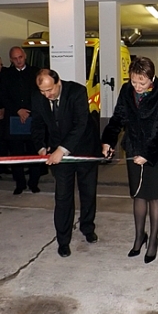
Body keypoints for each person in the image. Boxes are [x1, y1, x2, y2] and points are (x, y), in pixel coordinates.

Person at [101, 56, 158, 264]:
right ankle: (139, 236)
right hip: (133, 148)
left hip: (155, 154)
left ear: (152, 78)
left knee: (154, 197)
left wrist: (148, 154)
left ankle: (153, 240)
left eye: (142, 82)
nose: (138, 87)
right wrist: (108, 141)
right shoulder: (126, 91)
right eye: (134, 82)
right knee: (138, 195)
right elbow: (118, 118)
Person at [31, 69, 101, 258]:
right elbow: (37, 124)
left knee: (88, 192)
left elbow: (81, 124)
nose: (47, 95)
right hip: (58, 152)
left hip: (85, 148)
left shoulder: (77, 91)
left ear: (58, 82)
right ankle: (63, 240)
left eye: (50, 90)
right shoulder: (37, 98)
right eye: (42, 91)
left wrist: (61, 150)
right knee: (63, 197)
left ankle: (87, 227)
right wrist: (41, 148)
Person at [0, 46, 41, 194]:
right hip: (14, 119)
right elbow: (3, 96)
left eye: (20, 57)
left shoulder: (35, 72)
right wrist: (18, 110)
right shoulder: (6, 75)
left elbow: (39, 94)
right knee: (16, 155)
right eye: (15, 58)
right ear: (11, 60)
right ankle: (20, 183)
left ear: (25, 56)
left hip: (32, 117)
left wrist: (28, 111)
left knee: (34, 153)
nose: (18, 61)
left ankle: (34, 183)